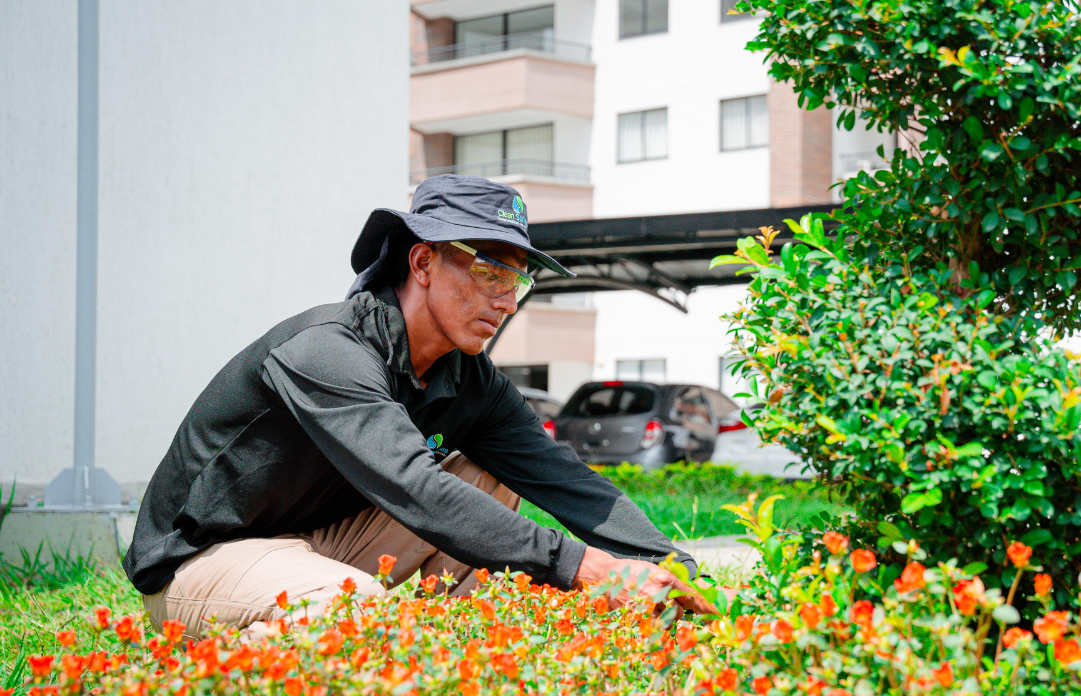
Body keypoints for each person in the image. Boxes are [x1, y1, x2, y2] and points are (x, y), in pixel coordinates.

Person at [124, 175, 711, 638]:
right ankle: (225, 668)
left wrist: (678, 569)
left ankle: (463, 652)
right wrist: (585, 566)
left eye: (517, 280)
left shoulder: (468, 379)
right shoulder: (328, 352)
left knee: (485, 477)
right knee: (355, 611)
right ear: (423, 263)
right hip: (204, 562)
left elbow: (564, 478)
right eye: (490, 271)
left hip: (319, 545)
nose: (507, 301)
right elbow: (417, 489)